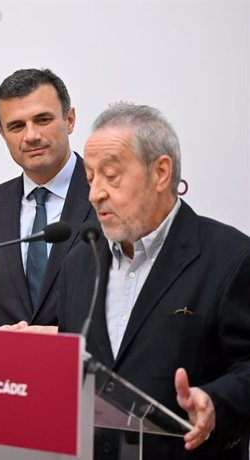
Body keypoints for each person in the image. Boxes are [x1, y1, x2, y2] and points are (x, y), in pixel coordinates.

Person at [58, 104, 250, 459]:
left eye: (111, 176)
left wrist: (214, 402)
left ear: (161, 172)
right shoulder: (81, 261)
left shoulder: (230, 257)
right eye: (90, 178)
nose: (94, 194)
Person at [0, 68, 96, 329]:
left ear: (70, 119)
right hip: (5, 367)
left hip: (83, 366)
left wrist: (63, 336)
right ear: (2, 134)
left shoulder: (105, 195)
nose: (31, 136)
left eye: (42, 120)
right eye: (17, 126)